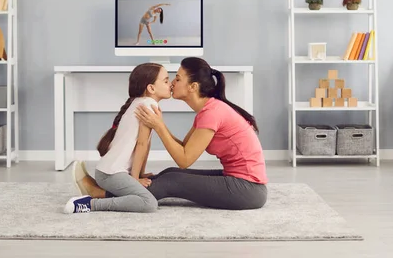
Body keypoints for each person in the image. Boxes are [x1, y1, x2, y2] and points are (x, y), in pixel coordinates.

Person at [74, 57, 268, 211]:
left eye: (178, 78)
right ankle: (116, 189)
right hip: (241, 182)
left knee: (172, 180)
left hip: (248, 190)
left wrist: (159, 127)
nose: (173, 83)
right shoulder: (207, 111)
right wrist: (160, 125)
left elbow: (184, 159)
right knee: (169, 173)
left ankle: (100, 193)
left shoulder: (212, 113)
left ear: (193, 87)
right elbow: (184, 147)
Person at [63, 62, 172, 214]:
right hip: (111, 174)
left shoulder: (142, 102)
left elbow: (145, 144)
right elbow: (141, 144)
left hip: (109, 171)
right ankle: (89, 204)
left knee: (145, 192)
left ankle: (98, 193)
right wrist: (135, 178)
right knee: (149, 203)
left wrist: (140, 174)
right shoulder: (148, 105)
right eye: (166, 81)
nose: (171, 84)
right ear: (151, 88)